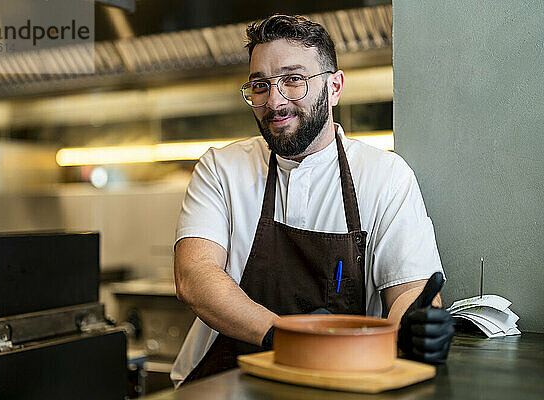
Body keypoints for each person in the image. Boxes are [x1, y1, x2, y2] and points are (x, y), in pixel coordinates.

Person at [171, 14, 454, 387]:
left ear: (334, 87)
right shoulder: (221, 168)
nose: (274, 101)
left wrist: (417, 324)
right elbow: (195, 276)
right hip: (224, 386)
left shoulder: (385, 176)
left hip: (342, 386)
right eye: (260, 85)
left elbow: (408, 289)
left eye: (293, 80)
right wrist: (288, 335)